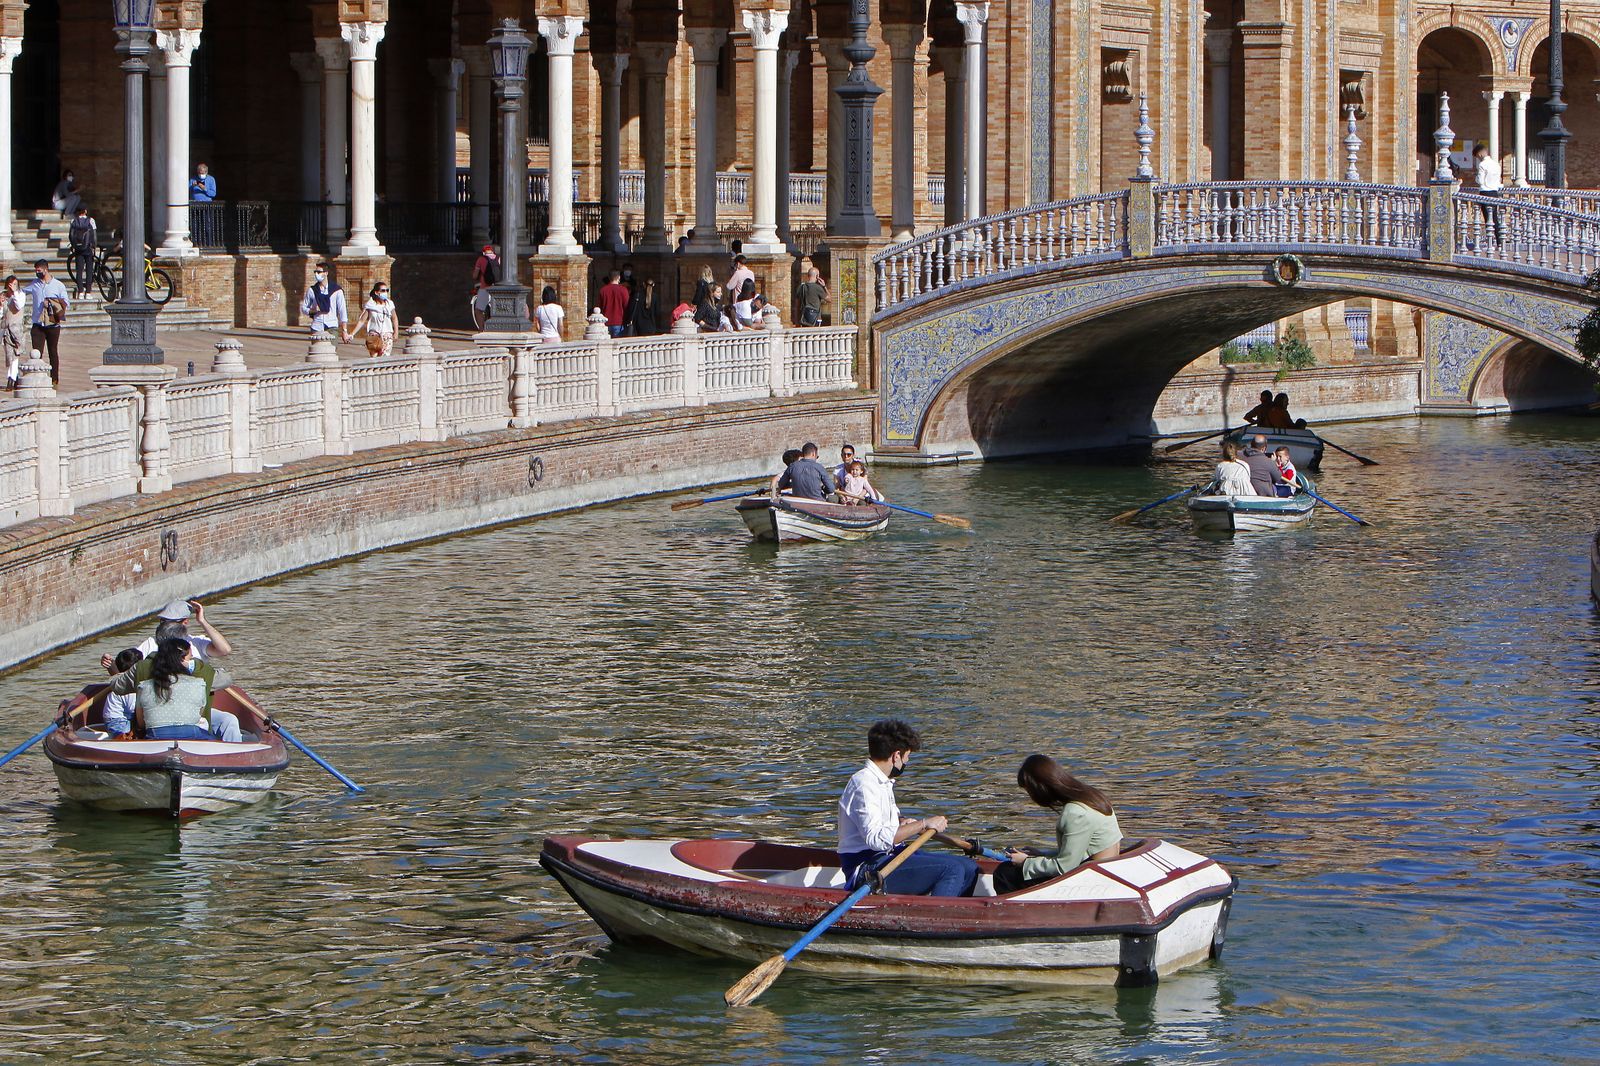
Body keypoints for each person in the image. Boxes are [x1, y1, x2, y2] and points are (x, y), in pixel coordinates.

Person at [837, 719, 979, 897]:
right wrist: (923, 824)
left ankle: (958, 914)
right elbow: (875, 839)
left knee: (970, 867)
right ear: (896, 756)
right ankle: (936, 920)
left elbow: (883, 824)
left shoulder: (882, 781)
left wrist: (903, 823)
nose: (907, 762)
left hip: (890, 856)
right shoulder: (864, 785)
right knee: (952, 869)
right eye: (907, 757)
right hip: (869, 869)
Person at [993, 754, 1122, 894]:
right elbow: (1081, 850)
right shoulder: (1092, 797)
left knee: (1004, 873)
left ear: (1039, 788)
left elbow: (1064, 867)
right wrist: (1040, 855)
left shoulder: (1075, 813)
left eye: (1029, 791)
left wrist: (1026, 862)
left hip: (1092, 880)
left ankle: (1017, 913)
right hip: (1104, 870)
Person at [108, 637, 242, 744]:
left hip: (154, 732)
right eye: (191, 657)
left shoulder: (143, 679)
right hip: (189, 730)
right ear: (183, 658)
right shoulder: (199, 680)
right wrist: (194, 666)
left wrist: (114, 669)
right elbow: (226, 680)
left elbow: (116, 685)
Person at [24, 260, 69, 385]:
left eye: (39, 271)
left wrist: (51, 303)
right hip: (38, 323)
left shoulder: (58, 285)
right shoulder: (35, 284)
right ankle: (37, 377)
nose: (37, 273)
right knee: (36, 352)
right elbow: (22, 292)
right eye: (36, 271)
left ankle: (54, 378)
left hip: (52, 324)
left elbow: (66, 303)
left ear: (46, 270)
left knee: (53, 351)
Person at [100, 648, 144, 739]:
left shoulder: (121, 679)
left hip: (127, 715)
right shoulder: (129, 685)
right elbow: (135, 709)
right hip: (118, 720)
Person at [770, 442, 836, 500]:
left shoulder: (792, 466)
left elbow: (781, 484)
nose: (816, 458)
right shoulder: (819, 467)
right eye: (817, 456)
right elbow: (831, 489)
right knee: (834, 499)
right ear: (813, 454)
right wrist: (824, 489)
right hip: (817, 501)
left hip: (797, 501)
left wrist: (794, 484)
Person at [302, 262, 349, 339]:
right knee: (317, 349)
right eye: (315, 272)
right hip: (317, 326)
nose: (317, 274)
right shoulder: (312, 290)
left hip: (331, 325)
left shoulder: (336, 290)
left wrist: (344, 330)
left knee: (332, 349)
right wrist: (312, 311)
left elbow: (342, 310)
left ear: (326, 273)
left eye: (319, 272)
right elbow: (304, 308)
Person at [353, 282, 398, 357]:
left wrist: (396, 332)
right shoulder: (370, 305)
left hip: (387, 335)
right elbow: (362, 320)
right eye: (383, 290)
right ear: (377, 292)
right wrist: (352, 334)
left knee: (384, 358)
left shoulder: (389, 304)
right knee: (374, 359)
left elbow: (394, 318)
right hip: (374, 335)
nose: (385, 292)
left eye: (387, 290)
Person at [1472, 144, 1502, 246]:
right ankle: (1499, 242)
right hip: (1494, 192)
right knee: (1495, 218)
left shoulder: (1482, 165)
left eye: (1477, 156)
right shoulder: (1496, 164)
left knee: (1487, 219)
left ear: (1480, 154)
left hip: (1485, 192)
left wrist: (1475, 178)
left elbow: (1480, 180)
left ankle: (1490, 242)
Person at [67, 206, 98, 299]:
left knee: (79, 270)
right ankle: (88, 292)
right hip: (88, 248)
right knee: (89, 270)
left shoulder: (73, 221)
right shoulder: (91, 220)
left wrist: (74, 245)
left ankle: (80, 291)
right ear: (85, 211)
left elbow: (71, 235)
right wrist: (94, 245)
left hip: (78, 249)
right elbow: (94, 235)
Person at [471, 244, 501, 330]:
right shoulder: (498, 258)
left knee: (479, 310)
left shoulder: (481, 259)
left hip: (485, 288)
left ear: (483, 252)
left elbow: (475, 275)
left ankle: (481, 329)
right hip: (496, 288)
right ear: (492, 251)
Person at [2, 275, 24, 390]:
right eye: (11, 284)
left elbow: (19, 305)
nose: (12, 287)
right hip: (6, 330)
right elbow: (1, 314)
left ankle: (11, 379)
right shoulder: (3, 296)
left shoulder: (20, 295)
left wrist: (14, 293)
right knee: (9, 355)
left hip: (16, 330)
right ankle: (14, 376)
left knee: (15, 354)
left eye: (15, 284)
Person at [598, 270, 630, 338]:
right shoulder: (623, 290)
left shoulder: (603, 290)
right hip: (619, 321)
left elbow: (600, 306)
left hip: (605, 321)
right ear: (619, 277)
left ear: (609, 278)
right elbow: (627, 306)